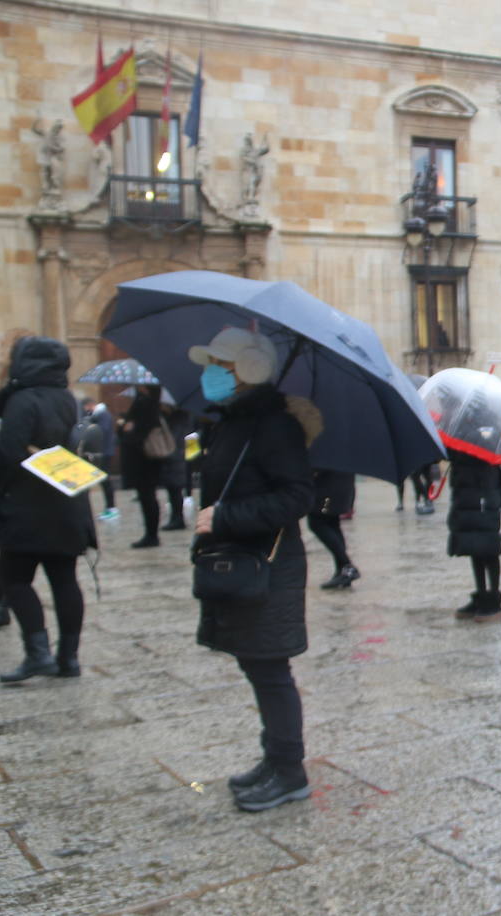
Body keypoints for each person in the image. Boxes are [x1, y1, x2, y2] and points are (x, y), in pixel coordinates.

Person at [189, 327, 318, 812]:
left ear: (249, 370)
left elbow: (296, 496)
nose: (211, 373)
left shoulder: (274, 426)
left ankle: (289, 770)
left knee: (269, 668)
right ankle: (275, 760)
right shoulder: (233, 421)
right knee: (255, 662)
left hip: (268, 566)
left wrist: (224, 518)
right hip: (240, 561)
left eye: (220, 365)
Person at [0, 337, 97, 681]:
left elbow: (9, 453)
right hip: (66, 504)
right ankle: (68, 659)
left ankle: (38, 653)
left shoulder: (21, 400)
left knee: (15, 580)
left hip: (26, 508)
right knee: (65, 579)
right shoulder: (66, 399)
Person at [118, 385, 187, 547]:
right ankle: (152, 533)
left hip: (144, 459)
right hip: (150, 460)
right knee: (148, 496)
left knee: (147, 496)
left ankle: (151, 535)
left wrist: (124, 428)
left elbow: (137, 432)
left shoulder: (145, 404)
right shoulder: (154, 403)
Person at [447, 451, 501, 621]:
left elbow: (495, 473)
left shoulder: (486, 440)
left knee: (488, 547)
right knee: (472, 547)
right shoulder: (458, 439)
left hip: (483, 497)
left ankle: (493, 599)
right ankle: (480, 595)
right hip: (465, 498)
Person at [308, 470, 359, 589]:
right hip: (339, 483)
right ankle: (342, 570)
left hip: (328, 486)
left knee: (317, 523)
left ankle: (346, 565)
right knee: (332, 524)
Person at [79, 397, 118, 520]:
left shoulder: (102, 415)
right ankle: (110, 508)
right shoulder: (99, 415)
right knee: (103, 480)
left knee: (106, 480)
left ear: (90, 405)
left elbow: (101, 431)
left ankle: (111, 508)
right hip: (102, 452)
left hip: (104, 452)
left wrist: (90, 424)